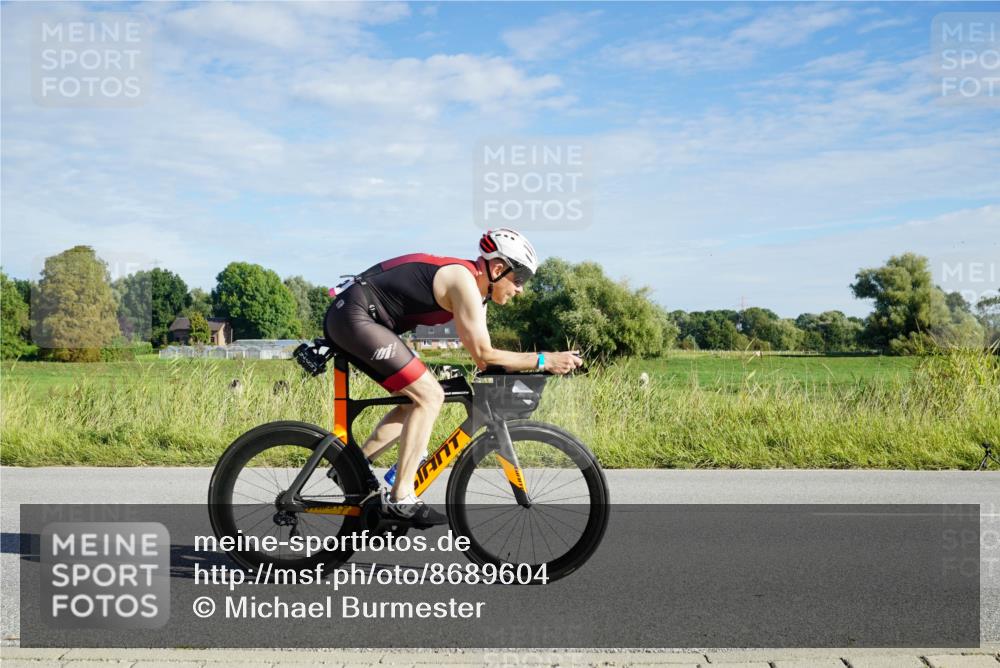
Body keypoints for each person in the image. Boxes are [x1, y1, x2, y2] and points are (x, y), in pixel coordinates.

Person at [323, 228, 583, 526]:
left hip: (360, 318)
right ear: (498, 269)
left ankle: (349, 468)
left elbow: (485, 359)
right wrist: (543, 359)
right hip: (356, 316)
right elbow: (485, 355)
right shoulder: (464, 282)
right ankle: (401, 497)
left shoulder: (475, 292)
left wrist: (547, 363)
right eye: (519, 279)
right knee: (430, 395)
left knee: (414, 400)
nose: (521, 289)